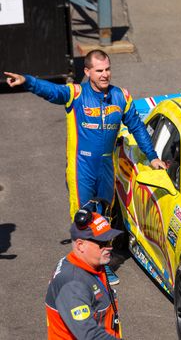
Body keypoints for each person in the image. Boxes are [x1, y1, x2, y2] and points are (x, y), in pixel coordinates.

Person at [4, 50, 166, 284]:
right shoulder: (76, 94)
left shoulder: (121, 96)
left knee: (103, 217)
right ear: (87, 72)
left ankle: (102, 264)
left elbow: (137, 127)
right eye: (99, 70)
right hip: (81, 168)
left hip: (106, 168)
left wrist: (152, 156)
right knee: (82, 217)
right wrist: (28, 81)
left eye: (107, 69)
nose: (105, 74)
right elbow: (52, 92)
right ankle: (81, 267)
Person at [46, 208, 123, 339]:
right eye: (103, 243)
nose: (110, 247)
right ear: (80, 245)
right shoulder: (72, 284)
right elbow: (89, 335)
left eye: (110, 241)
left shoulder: (92, 264)